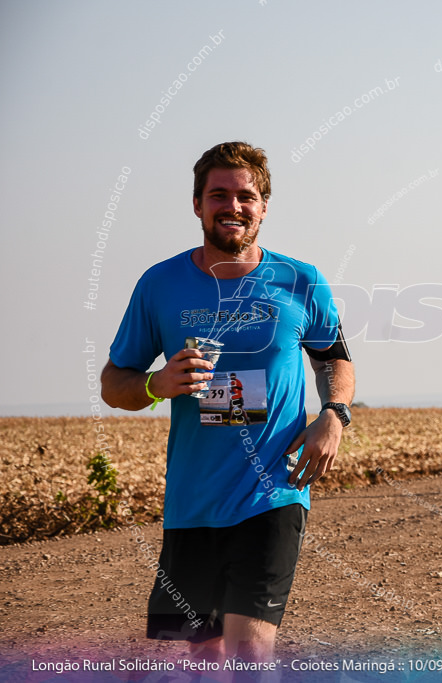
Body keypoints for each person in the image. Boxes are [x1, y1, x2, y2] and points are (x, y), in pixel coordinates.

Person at [101, 142, 355, 665]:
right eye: (219, 195)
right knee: (198, 661)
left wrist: (334, 415)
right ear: (197, 204)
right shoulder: (160, 284)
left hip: (273, 493)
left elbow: (334, 359)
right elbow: (113, 381)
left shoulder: (300, 280)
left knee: (248, 652)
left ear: (263, 207)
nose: (233, 206)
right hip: (192, 502)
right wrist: (156, 384)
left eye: (246, 196)